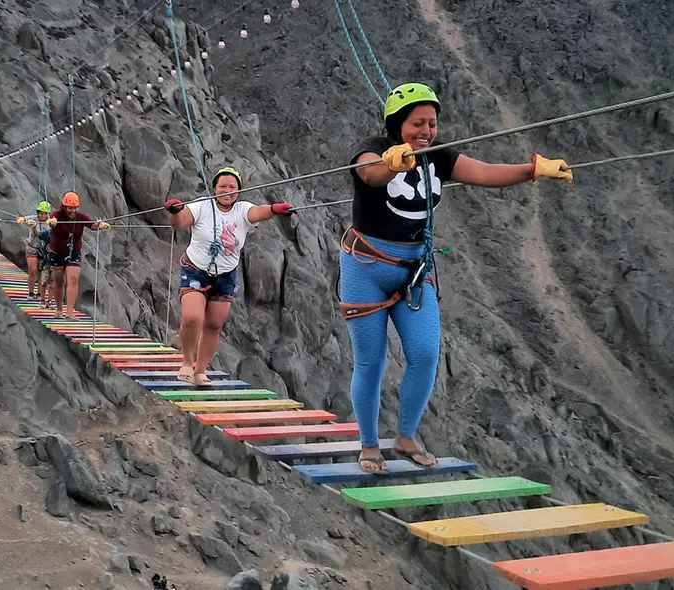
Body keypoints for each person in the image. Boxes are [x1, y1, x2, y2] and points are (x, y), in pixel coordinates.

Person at [341, 82, 573, 473]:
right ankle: (368, 445)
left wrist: (532, 169)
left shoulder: (437, 156)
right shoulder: (374, 149)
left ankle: (406, 436)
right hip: (366, 268)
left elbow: (482, 173)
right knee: (371, 361)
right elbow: (370, 174)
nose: (426, 131)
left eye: (432, 123)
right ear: (397, 124)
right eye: (418, 123)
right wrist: (392, 162)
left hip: (413, 271)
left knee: (426, 353)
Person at [164, 166, 294, 385]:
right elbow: (180, 222)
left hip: (225, 276)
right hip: (196, 270)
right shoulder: (202, 206)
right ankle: (187, 361)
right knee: (192, 318)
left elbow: (258, 212)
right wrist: (175, 212)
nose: (227, 190)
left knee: (214, 325)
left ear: (239, 190)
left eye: (232, 187)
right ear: (215, 188)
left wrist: (274, 209)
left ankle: (200, 370)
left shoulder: (242, 209)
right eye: (222, 186)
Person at [45, 191, 110, 319]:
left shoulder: (81, 217)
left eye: (75, 208)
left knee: (73, 279)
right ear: (64, 207)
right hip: (57, 253)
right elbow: (52, 221)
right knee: (58, 281)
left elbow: (92, 225)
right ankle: (59, 309)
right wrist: (51, 222)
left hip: (73, 253)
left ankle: (69, 312)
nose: (72, 211)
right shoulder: (56, 215)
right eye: (70, 208)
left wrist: (100, 225)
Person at [16, 202, 53, 300]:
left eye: (45, 213)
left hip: (44, 251)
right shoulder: (33, 219)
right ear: (38, 213)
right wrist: (21, 220)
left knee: (42, 273)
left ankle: (40, 293)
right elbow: (23, 218)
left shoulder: (50, 223)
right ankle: (31, 292)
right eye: (41, 213)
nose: (43, 215)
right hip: (32, 248)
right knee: (33, 271)